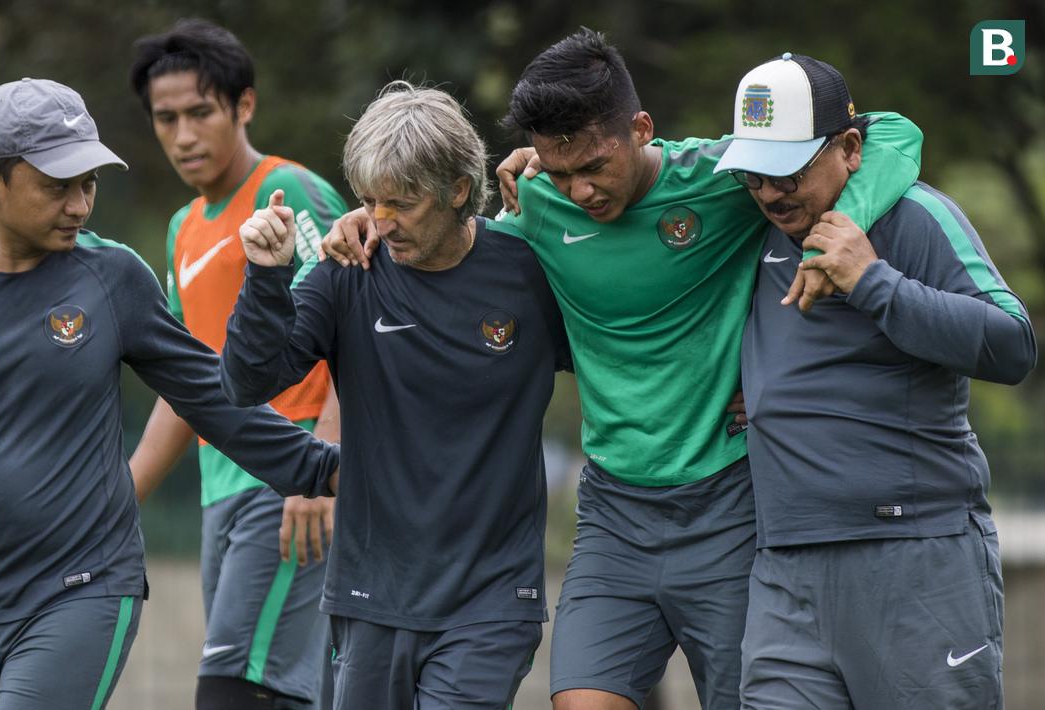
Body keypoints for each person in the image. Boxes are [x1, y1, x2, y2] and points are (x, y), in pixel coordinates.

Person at [321, 29, 922, 710]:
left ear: (640, 129)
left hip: (728, 504)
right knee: (579, 700)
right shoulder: (534, 205)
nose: (579, 190)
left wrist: (831, 236)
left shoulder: (724, 179)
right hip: (611, 515)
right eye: (558, 167)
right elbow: (454, 254)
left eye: (596, 166)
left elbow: (892, 133)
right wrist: (373, 216)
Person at [0, 77, 339, 710]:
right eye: (56, 186)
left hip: (83, 588)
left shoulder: (114, 277)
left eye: (88, 182)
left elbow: (215, 401)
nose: (79, 204)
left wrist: (334, 472)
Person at [219, 81, 573, 709]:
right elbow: (248, 381)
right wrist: (267, 277)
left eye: (401, 204)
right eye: (370, 202)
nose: (381, 222)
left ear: (458, 191)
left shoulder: (530, 268)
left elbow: (621, 349)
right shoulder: (345, 270)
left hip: (491, 600)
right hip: (370, 594)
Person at [718, 53, 1036, 709]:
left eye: (788, 170)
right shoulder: (752, 228)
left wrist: (872, 281)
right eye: (753, 172)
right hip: (783, 566)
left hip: (915, 558)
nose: (770, 191)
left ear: (850, 148)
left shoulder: (916, 217)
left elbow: (1011, 345)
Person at [127, 20, 348, 709]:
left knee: (231, 689)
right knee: (281, 690)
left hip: (289, 488)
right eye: (166, 119)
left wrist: (322, 472)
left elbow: (355, 340)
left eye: (200, 112)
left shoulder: (289, 192)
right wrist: (111, 503)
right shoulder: (182, 226)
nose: (183, 135)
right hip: (219, 496)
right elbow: (184, 384)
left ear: (242, 105)